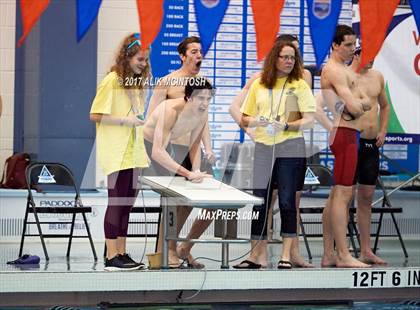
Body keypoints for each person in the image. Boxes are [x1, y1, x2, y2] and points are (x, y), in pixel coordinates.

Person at [229, 34, 319, 268]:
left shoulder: (299, 85)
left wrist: (288, 125)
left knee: (288, 201)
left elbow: (309, 120)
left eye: (293, 58)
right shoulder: (260, 84)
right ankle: (255, 255)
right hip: (264, 147)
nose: (289, 61)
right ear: (275, 59)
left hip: (290, 147)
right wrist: (257, 122)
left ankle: (286, 256)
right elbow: (245, 117)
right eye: (285, 57)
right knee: (261, 202)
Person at [146, 36, 215, 267]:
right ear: (182, 56)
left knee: (211, 201)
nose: (198, 56)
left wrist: (208, 148)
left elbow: (202, 121)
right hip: (170, 148)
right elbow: (153, 116)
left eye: (200, 52)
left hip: (192, 148)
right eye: (193, 52)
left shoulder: (203, 84)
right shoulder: (167, 82)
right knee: (176, 202)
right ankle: (167, 249)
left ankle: (185, 247)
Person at [90, 33, 150, 271]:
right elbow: (95, 115)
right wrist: (125, 121)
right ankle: (111, 256)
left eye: (145, 60)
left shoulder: (135, 85)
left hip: (133, 152)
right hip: (116, 152)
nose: (143, 64)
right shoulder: (112, 81)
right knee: (116, 203)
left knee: (127, 205)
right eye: (139, 60)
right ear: (127, 57)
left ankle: (122, 252)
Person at [320, 25, 371, 268]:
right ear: (335, 45)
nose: (353, 49)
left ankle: (329, 254)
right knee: (343, 195)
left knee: (335, 197)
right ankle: (343, 254)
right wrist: (360, 102)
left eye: (354, 44)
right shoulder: (334, 70)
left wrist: (360, 102)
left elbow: (363, 102)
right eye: (348, 45)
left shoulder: (342, 69)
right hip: (345, 134)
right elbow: (356, 106)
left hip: (348, 134)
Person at [350, 47, 390, 265]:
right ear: (356, 54)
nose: (372, 60)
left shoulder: (377, 77)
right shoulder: (346, 77)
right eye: (368, 56)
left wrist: (383, 130)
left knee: (366, 199)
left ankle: (366, 250)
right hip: (351, 143)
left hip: (370, 145)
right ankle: (340, 250)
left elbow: (384, 106)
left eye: (374, 57)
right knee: (343, 198)